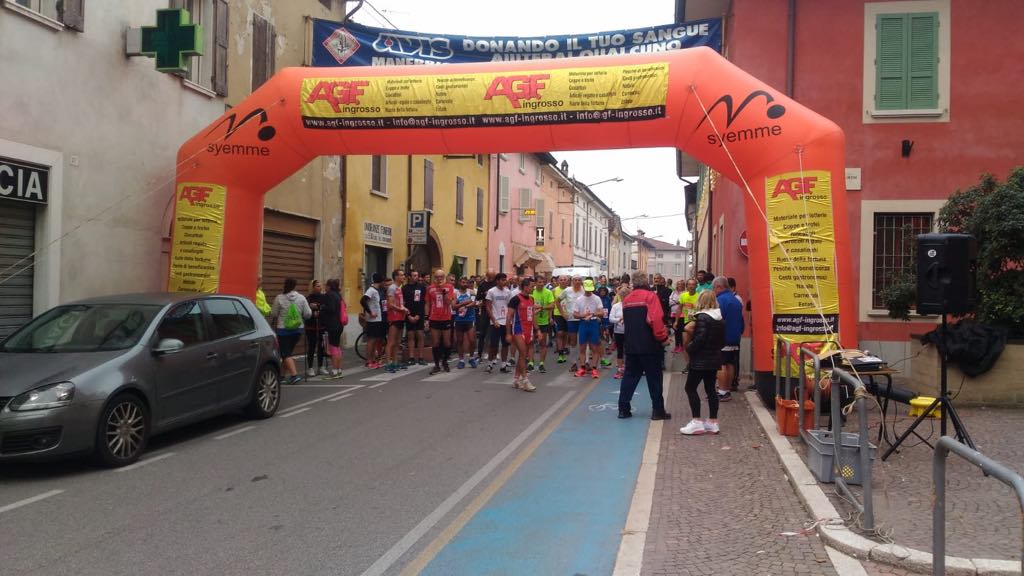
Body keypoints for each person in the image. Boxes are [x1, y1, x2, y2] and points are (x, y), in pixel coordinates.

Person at [617, 271, 671, 420]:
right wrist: (663, 338)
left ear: (633, 282)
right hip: (649, 345)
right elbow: (656, 320)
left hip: (631, 344)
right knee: (654, 378)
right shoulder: (650, 297)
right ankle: (657, 410)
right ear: (646, 281)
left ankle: (623, 409)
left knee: (629, 377)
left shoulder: (627, 299)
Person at [679, 290, 726, 435]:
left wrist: (690, 349)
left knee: (690, 388)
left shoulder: (703, 318)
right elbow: (722, 340)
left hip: (700, 359)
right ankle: (713, 422)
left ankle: (697, 421)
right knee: (711, 389)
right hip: (714, 358)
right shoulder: (719, 318)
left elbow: (699, 339)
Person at [271, 277, 312, 384]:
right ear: (295, 285)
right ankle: (282, 376)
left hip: (283, 330)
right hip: (297, 330)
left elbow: (274, 313)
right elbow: (308, 314)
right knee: (287, 353)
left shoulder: (279, 298)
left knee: (285, 354)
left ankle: (294, 375)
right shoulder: (302, 298)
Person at [713, 276, 744, 402]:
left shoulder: (720, 300)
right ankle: (728, 389)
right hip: (735, 337)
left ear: (720, 287)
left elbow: (716, 319)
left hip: (723, 337)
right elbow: (741, 321)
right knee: (730, 364)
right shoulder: (736, 300)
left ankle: (722, 391)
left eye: (714, 288)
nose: (713, 290)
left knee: (721, 365)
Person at [506, 276, 538, 392]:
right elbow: (509, 317)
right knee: (524, 354)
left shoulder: (531, 299)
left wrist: (537, 330)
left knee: (523, 356)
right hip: (518, 330)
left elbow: (532, 315)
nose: (533, 288)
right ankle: (525, 381)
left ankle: (516, 379)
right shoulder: (515, 299)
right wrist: (508, 333)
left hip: (528, 330)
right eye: (531, 287)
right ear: (525, 287)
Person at [573, 279, 605, 378]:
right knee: (582, 347)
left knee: (594, 347)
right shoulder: (579, 299)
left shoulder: (597, 298)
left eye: (590, 289)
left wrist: (592, 314)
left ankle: (594, 368)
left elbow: (602, 312)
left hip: (593, 323)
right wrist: (583, 315)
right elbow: (575, 314)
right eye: (587, 289)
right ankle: (582, 368)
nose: (588, 291)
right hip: (583, 323)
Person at [426, 269, 455, 375]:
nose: (439, 279)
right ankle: (437, 364)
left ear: (444, 278)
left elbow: (449, 302)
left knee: (447, 342)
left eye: (441, 277)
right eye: (437, 277)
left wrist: (444, 292)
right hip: (434, 318)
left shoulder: (449, 287)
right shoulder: (430, 288)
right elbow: (428, 304)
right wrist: (426, 318)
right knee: (435, 342)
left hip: (446, 317)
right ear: (434, 278)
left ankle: (445, 361)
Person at [484, 272, 513, 373]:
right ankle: (490, 363)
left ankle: (503, 365)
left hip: (506, 321)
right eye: (502, 280)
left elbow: (510, 306)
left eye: (505, 280)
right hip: (496, 321)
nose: (505, 282)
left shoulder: (508, 292)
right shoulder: (491, 292)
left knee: (505, 344)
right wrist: (493, 319)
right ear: (497, 281)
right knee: (494, 344)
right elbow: (488, 306)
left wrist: (510, 319)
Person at [360, 273, 387, 369]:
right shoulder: (371, 290)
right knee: (371, 340)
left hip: (377, 319)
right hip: (373, 320)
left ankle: (372, 360)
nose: (384, 282)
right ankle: (368, 361)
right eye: (383, 281)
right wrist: (370, 312)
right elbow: (362, 301)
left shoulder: (376, 290)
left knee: (375, 340)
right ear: (380, 281)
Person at [385, 269, 409, 373]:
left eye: (403, 275)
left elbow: (400, 303)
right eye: (401, 275)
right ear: (396, 277)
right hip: (393, 318)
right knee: (391, 342)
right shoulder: (392, 288)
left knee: (397, 342)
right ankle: (388, 363)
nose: (404, 277)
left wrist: (404, 308)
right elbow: (390, 305)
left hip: (400, 317)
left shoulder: (399, 288)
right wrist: (401, 309)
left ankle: (395, 362)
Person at [559, 276, 585, 371]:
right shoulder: (567, 290)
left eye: (579, 280)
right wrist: (563, 314)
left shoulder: (584, 290)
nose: (577, 282)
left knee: (583, 341)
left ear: (581, 281)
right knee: (573, 342)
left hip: (583, 319)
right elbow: (557, 301)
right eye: (575, 280)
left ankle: (584, 363)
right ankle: (574, 363)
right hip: (572, 319)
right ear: (572, 281)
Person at [402, 270, 428, 366]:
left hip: (419, 315)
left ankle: (421, 357)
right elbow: (403, 303)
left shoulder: (421, 287)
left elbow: (423, 303)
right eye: (414, 275)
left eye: (417, 275)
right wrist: (408, 315)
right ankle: (411, 357)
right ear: (409, 277)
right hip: (409, 315)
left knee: (420, 336)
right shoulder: (404, 288)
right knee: (411, 336)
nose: (416, 277)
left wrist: (421, 316)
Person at [529, 278, 555, 373]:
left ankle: (541, 364)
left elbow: (552, 305)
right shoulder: (531, 292)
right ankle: (531, 362)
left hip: (544, 321)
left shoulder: (548, 292)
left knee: (543, 343)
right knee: (531, 343)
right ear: (535, 283)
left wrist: (542, 307)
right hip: (532, 321)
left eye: (543, 282)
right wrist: (534, 308)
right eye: (539, 282)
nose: (541, 284)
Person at [305, 279, 329, 377]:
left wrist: (318, 308)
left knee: (321, 346)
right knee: (311, 346)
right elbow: (306, 310)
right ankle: (310, 368)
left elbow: (326, 307)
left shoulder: (324, 297)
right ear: (313, 287)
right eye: (318, 286)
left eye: (320, 286)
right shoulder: (308, 298)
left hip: (322, 325)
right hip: (311, 325)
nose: (320, 287)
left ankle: (321, 366)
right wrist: (312, 311)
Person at [322, 278, 345, 378]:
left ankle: (334, 370)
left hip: (332, 324)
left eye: (326, 285)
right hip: (339, 324)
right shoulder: (338, 295)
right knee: (337, 346)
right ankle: (339, 369)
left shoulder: (329, 295)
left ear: (329, 286)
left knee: (333, 347)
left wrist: (322, 307)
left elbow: (331, 309)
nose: (325, 287)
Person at [675, 278, 699, 372]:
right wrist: (676, 321)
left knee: (695, 343)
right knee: (685, 343)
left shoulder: (699, 296)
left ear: (696, 286)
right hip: (685, 321)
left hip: (697, 322)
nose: (691, 286)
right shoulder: (683, 296)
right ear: (687, 286)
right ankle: (689, 364)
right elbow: (679, 309)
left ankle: (695, 362)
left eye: (693, 284)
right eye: (689, 284)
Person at [453, 277, 478, 368]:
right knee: (459, 340)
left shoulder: (471, 292)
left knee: (472, 340)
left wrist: (466, 306)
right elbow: (453, 306)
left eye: (466, 282)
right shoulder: (456, 294)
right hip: (459, 319)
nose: (465, 284)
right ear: (459, 283)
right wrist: (463, 304)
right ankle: (461, 360)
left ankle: (471, 358)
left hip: (470, 319)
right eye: (463, 282)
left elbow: (474, 302)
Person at [474, 269, 496, 363]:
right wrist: (485, 294)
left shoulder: (495, 284)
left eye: (493, 276)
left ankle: (493, 353)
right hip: (484, 311)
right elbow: (478, 297)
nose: (491, 278)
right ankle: (479, 354)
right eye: (490, 276)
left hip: (494, 310)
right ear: (487, 275)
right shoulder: (482, 285)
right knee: (482, 333)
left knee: (493, 333)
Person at [608, 285, 631, 379]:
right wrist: (619, 319)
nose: (624, 297)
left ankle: (630, 368)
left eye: (626, 295)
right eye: (622, 295)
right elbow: (611, 319)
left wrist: (627, 318)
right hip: (618, 331)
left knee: (629, 350)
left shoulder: (631, 306)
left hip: (630, 331)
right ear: (619, 296)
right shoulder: (616, 306)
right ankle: (620, 369)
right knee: (620, 350)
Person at [552, 275, 569, 363]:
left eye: (564, 280)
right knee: (559, 333)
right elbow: (552, 303)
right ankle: (560, 353)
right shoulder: (554, 290)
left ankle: (564, 348)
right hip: (557, 314)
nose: (562, 281)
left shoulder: (570, 290)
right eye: (561, 280)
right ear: (558, 281)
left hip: (567, 314)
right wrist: (550, 317)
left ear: (567, 281)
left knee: (565, 333)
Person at [668, 279, 685, 355]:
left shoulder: (685, 293)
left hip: (681, 314)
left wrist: (676, 302)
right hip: (673, 313)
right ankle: (676, 346)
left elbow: (683, 302)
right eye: (678, 284)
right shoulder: (673, 292)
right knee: (675, 331)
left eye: (681, 284)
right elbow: (670, 302)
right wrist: (677, 302)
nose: (680, 285)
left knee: (680, 331)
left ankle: (681, 346)